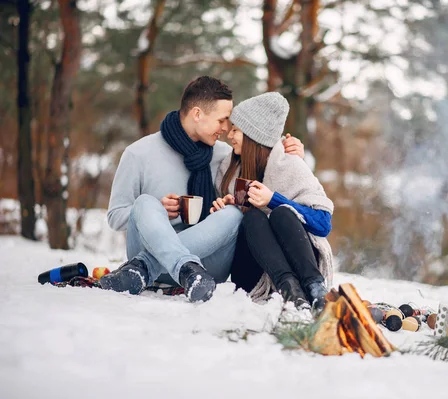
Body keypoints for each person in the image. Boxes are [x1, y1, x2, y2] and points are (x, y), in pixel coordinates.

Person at [100, 77, 304, 303]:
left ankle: (152, 266)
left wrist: (287, 155)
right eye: (223, 120)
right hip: (151, 252)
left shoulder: (224, 155)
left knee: (234, 213)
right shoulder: (138, 153)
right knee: (146, 202)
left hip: (204, 269)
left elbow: (261, 177)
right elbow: (115, 217)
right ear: (197, 114)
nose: (227, 129)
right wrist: (156, 210)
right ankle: (179, 266)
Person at [212, 92, 334, 311]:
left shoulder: (291, 166)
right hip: (252, 271)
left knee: (282, 213)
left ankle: (315, 289)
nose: (229, 135)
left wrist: (273, 200)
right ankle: (289, 290)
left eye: (236, 130)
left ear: (252, 135)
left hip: (297, 262)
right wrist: (227, 208)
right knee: (253, 218)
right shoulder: (228, 169)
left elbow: (324, 224)